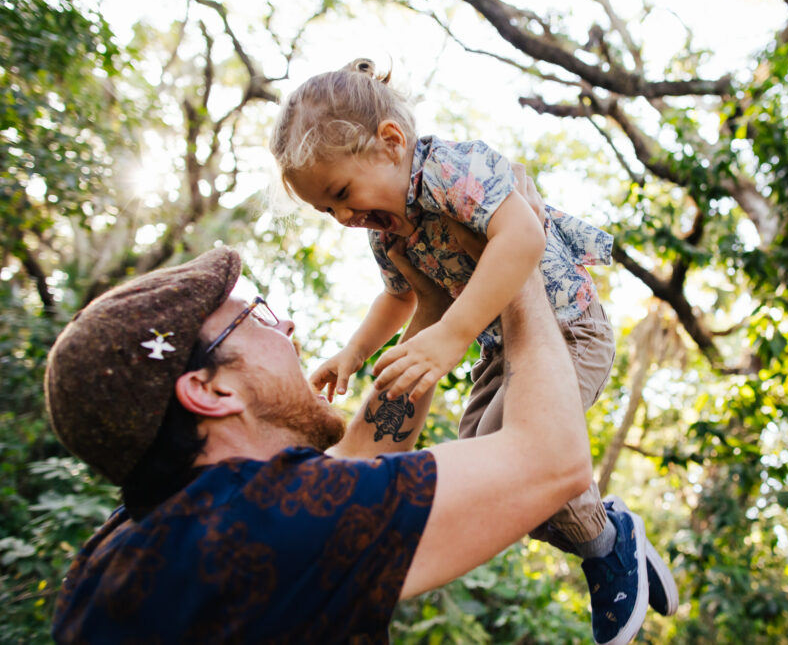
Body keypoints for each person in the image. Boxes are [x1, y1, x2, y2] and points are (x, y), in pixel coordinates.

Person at [268, 60, 677, 644]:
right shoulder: (386, 232)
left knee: (518, 460)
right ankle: (611, 535)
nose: (342, 217)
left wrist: (453, 334)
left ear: (390, 142)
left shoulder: (453, 169)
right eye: (326, 210)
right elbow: (400, 296)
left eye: (341, 193)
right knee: (486, 472)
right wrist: (354, 353)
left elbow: (523, 236)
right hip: (500, 350)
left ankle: (607, 549)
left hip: (568, 331)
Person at [42, 227, 596, 641]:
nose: (286, 327)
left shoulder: (127, 542)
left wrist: (429, 309)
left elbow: (354, 457)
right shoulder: (255, 528)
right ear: (210, 392)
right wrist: (515, 254)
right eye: (255, 319)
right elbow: (552, 460)